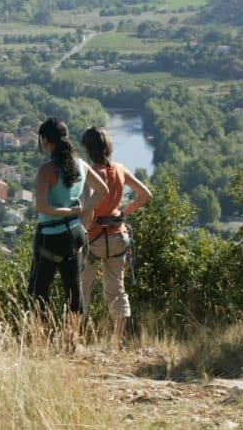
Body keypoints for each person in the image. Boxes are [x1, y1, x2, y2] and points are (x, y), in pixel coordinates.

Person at [29, 117, 108, 340]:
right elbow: (103, 191)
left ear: (45, 140)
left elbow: (43, 206)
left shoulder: (47, 170)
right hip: (75, 234)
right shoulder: (81, 165)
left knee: (38, 292)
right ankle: (71, 340)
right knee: (74, 291)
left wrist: (68, 211)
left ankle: (41, 341)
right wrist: (82, 211)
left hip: (50, 236)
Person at [80, 126, 151, 348]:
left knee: (82, 288)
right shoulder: (119, 170)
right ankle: (118, 339)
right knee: (117, 289)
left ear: (88, 150)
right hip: (118, 236)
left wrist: (85, 229)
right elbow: (145, 195)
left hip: (94, 239)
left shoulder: (92, 174)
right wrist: (122, 213)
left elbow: (88, 209)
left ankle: (75, 336)